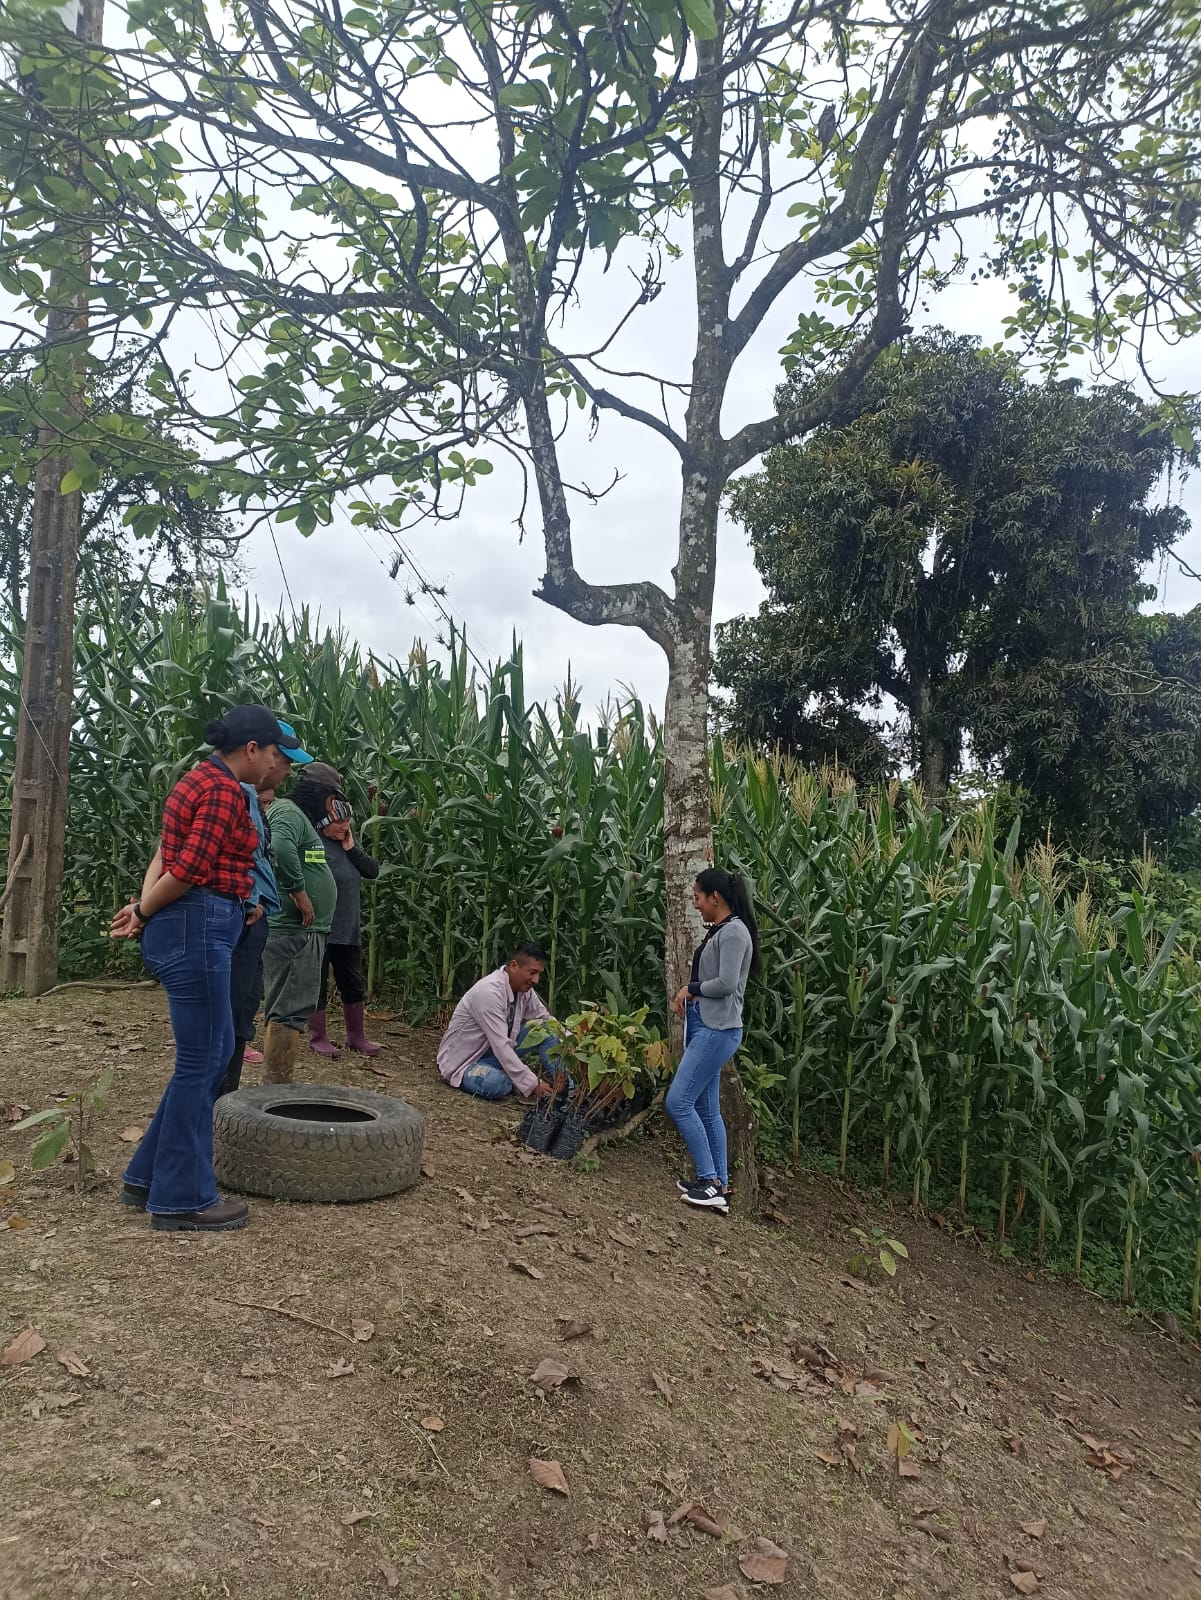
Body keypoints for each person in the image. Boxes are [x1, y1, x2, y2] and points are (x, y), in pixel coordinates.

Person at [110, 704, 302, 1232]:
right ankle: (183, 1198)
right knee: (204, 1060)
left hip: (197, 922)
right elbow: (189, 869)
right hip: (196, 927)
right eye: (272, 754)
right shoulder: (222, 790)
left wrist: (151, 905)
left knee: (208, 1056)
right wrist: (144, 911)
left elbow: (170, 857)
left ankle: (147, 1176)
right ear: (251, 749)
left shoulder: (198, 780)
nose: (274, 765)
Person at [218, 720, 314, 1096]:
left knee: (242, 1008)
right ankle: (219, 1102)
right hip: (240, 920)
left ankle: (225, 1097)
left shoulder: (252, 800)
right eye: (282, 759)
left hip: (251, 917)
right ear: (258, 752)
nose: (284, 769)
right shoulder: (236, 796)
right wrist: (249, 898)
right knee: (233, 1011)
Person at [666, 867, 759, 1216]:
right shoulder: (722, 930)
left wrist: (689, 989)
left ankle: (709, 1180)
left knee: (678, 1102)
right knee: (707, 1109)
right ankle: (719, 1186)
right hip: (708, 1025)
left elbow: (727, 983)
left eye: (698, 898)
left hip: (716, 1030)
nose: (696, 904)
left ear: (715, 897)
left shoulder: (733, 932)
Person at [260, 761, 341, 1084]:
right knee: (288, 1009)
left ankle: (277, 1084)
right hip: (296, 931)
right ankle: (276, 1087)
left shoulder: (297, 817)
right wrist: (300, 894)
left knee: (289, 1007)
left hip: (304, 932)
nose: (332, 807)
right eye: (331, 798)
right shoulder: (289, 812)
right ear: (319, 793)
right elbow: (279, 848)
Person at [307, 796, 383, 1057]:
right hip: (321, 927)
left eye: (348, 820)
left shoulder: (349, 842)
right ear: (325, 822)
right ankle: (318, 1038)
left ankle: (356, 1037)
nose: (345, 826)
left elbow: (372, 871)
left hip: (348, 927)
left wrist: (352, 849)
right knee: (318, 984)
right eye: (339, 821)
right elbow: (308, 875)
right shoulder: (314, 843)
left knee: (352, 983)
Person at [437, 943, 560, 1099]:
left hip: (495, 1053)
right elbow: (501, 1044)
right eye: (532, 972)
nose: (536, 980)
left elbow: (545, 1019)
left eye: (539, 974)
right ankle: (511, 1080)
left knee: (546, 1028)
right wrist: (532, 1084)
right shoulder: (489, 992)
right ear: (514, 966)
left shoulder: (524, 991)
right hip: (465, 1062)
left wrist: (573, 1040)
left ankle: (566, 1090)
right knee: (496, 1083)